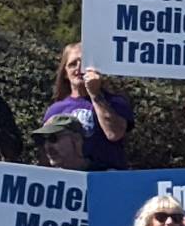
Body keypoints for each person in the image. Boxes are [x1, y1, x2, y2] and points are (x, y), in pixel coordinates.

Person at [45, 42, 137, 170]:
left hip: (106, 177)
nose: (78, 68)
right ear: (65, 73)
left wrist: (95, 94)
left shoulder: (115, 102)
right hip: (70, 180)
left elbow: (114, 134)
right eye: (72, 64)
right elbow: (47, 150)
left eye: (84, 64)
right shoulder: (55, 110)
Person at [32, 114, 104, 173]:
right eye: (43, 140)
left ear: (76, 139)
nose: (47, 146)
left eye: (53, 138)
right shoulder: (44, 180)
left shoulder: (106, 176)